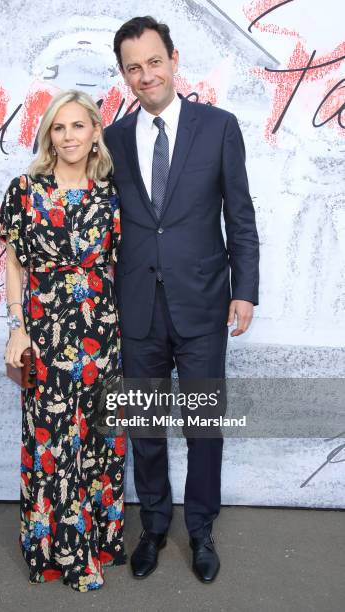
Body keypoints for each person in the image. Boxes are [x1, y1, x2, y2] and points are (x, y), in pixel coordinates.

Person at [104, 17, 259, 583]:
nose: (147, 75)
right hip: (137, 306)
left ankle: (200, 530)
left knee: (203, 427)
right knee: (145, 427)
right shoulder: (114, 138)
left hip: (203, 305)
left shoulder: (218, 127)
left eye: (154, 61)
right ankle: (151, 526)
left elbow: (239, 216)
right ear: (124, 75)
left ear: (174, 58)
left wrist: (245, 291)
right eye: (134, 68)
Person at [0, 90, 126, 591]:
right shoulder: (24, 189)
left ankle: (98, 544)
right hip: (45, 334)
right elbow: (13, 262)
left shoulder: (110, 196)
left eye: (77, 126)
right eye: (58, 127)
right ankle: (58, 552)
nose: (68, 136)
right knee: (53, 441)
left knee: (100, 442)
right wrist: (16, 328)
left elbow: (120, 266)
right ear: (49, 135)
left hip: (101, 334)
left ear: (95, 133)